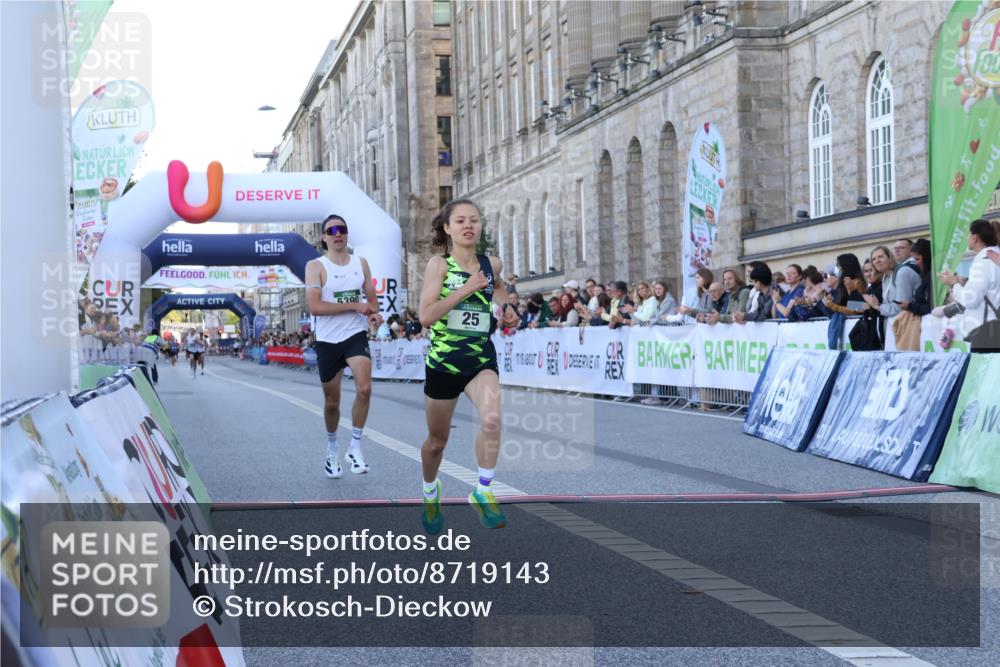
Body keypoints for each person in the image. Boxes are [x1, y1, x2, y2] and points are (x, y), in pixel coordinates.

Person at [418, 199, 510, 533]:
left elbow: (497, 287)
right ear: (447, 228)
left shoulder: (491, 263)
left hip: (480, 359)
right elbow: (425, 316)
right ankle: (431, 491)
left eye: (474, 220)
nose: (468, 225)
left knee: (492, 417)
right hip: (444, 363)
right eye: (460, 221)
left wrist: (507, 306)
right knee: (437, 442)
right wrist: (465, 289)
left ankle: (483, 490)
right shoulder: (439, 266)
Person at [305, 214, 383, 480]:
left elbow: (371, 300)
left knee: (365, 387)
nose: (337, 234)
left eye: (342, 229)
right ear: (324, 237)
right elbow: (315, 307)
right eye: (332, 230)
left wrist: (374, 314)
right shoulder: (315, 266)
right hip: (327, 341)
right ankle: (332, 446)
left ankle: (355, 446)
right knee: (332, 403)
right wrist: (354, 305)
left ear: (347, 234)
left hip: (354, 335)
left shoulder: (361, 263)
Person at [938, 219, 1000, 352]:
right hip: (993, 328)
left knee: (982, 373)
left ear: (974, 237)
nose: (967, 238)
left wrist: (953, 284)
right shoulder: (995, 258)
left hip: (986, 331)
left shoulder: (983, 262)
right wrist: (963, 283)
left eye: (968, 234)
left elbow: (970, 300)